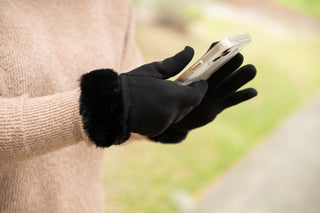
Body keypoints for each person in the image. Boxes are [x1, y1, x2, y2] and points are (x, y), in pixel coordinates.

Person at [0, 0, 257, 212]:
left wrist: (170, 119)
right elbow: (105, 112)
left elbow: (119, 121)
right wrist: (99, 108)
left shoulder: (114, 6)